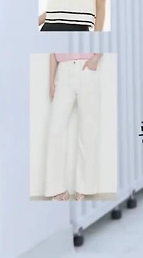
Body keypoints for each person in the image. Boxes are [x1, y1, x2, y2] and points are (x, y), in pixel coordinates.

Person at [43, 53, 102, 201]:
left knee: (88, 129)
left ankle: (84, 187)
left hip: (86, 67)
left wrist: (95, 59)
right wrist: (51, 82)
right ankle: (57, 189)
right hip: (63, 70)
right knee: (55, 130)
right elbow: (52, 51)